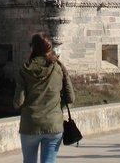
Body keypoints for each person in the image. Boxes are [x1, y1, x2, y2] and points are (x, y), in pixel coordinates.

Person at [13, 32, 75, 163]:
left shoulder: (25, 70)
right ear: (49, 48)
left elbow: (18, 102)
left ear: (33, 48)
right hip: (53, 124)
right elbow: (71, 98)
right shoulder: (59, 68)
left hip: (30, 125)